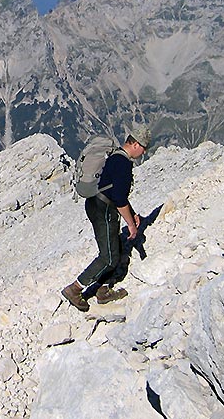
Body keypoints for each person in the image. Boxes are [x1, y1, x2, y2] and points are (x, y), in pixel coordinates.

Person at [61, 125, 152, 312]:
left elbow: (115, 191)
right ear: (135, 144)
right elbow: (119, 198)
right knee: (109, 257)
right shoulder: (123, 164)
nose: (144, 152)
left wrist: (132, 213)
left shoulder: (116, 156)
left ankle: (103, 290)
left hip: (96, 203)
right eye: (144, 147)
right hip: (104, 209)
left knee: (114, 248)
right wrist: (131, 225)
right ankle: (75, 289)